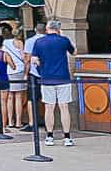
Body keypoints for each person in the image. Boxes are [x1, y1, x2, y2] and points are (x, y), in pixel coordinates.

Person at [30, 19, 77, 147]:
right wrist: (62, 35)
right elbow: (74, 51)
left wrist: (42, 67)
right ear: (58, 29)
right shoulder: (63, 40)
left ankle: (49, 136)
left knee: (49, 108)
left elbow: (34, 60)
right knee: (64, 107)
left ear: (47, 28)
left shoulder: (39, 42)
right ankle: (67, 137)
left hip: (46, 78)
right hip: (63, 77)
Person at [2, 32, 29, 132]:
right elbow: (23, 57)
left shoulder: (3, 43)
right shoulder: (19, 43)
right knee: (18, 96)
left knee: (9, 97)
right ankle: (18, 121)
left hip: (8, 71)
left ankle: (10, 121)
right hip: (19, 70)